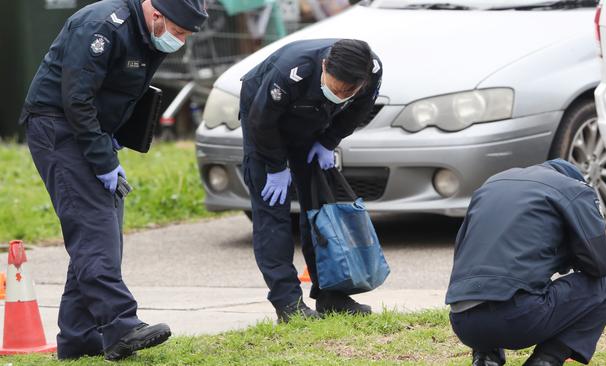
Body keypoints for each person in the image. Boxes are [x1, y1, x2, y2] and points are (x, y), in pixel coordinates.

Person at [20, 0, 207, 360]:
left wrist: (115, 135)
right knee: (95, 231)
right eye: (178, 32)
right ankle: (121, 326)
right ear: (156, 15)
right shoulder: (103, 26)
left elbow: (123, 89)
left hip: (91, 132)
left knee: (103, 232)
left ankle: (80, 337)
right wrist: (104, 159)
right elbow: (76, 99)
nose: (179, 41)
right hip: (59, 127)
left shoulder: (148, 33)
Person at [239, 38, 383, 322]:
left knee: (321, 209)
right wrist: (275, 165)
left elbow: (359, 109)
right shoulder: (292, 71)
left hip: (314, 123)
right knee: (273, 214)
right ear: (324, 65)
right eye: (335, 87)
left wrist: (329, 141)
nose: (340, 94)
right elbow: (262, 121)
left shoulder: (372, 71)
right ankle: (288, 303)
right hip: (265, 121)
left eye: (348, 91)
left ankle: (331, 294)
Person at [445, 159, 606, 366]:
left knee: (490, 275)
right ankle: (546, 360)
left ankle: (486, 358)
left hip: (463, 324)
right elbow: (601, 264)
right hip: (520, 320)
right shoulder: (573, 189)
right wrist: (569, 252)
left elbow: (466, 254)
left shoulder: (491, 185)